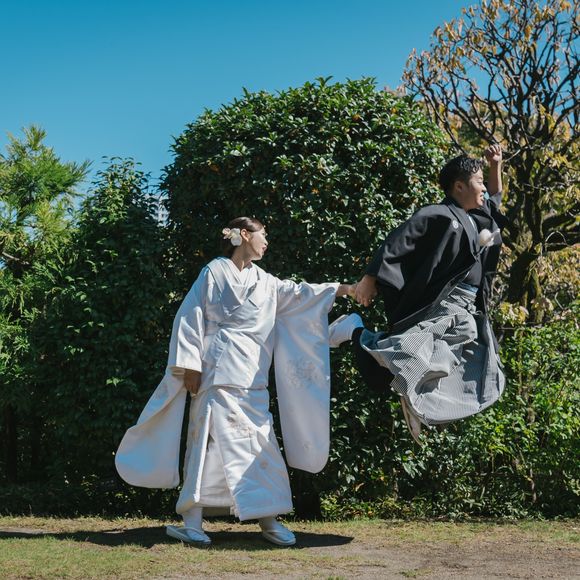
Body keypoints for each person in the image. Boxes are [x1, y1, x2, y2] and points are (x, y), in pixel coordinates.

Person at [115, 217, 354, 547]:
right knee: (205, 445)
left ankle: (269, 517)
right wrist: (190, 365)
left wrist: (345, 289)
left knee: (260, 443)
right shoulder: (213, 272)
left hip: (252, 373)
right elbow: (190, 316)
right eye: (262, 234)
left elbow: (300, 293)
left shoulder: (267, 282)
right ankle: (192, 521)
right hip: (216, 370)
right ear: (244, 234)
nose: (266, 241)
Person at [329, 144, 507, 441]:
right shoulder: (439, 214)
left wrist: (495, 165)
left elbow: (495, 198)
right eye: (479, 182)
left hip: (468, 308)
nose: (484, 190)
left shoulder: (478, 217)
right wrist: (370, 278)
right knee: (409, 353)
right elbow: (400, 240)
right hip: (444, 304)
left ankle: (416, 399)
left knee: (475, 369)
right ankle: (356, 332)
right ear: (459, 186)